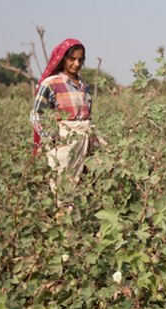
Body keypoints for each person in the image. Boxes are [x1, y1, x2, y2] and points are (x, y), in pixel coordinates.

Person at [30, 38, 104, 200]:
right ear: (62, 59)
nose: (76, 64)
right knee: (64, 188)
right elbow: (36, 116)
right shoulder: (51, 84)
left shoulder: (83, 85)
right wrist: (53, 138)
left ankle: (83, 222)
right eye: (72, 59)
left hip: (87, 139)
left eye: (80, 60)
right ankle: (63, 222)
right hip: (66, 142)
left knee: (88, 184)